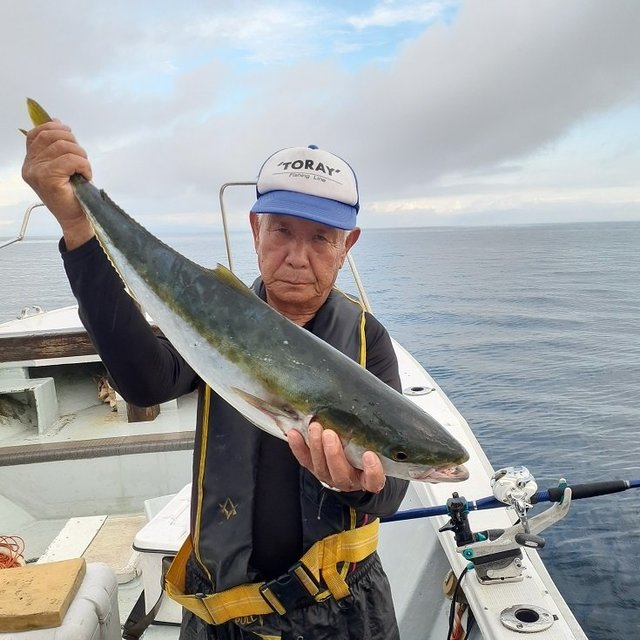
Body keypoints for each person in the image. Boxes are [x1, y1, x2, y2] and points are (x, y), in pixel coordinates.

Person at [22, 122, 409, 640]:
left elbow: (392, 487)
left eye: (320, 238)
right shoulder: (215, 325)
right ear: (255, 230)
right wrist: (78, 229)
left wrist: (357, 485)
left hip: (341, 613)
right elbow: (144, 381)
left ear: (348, 244)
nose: (298, 257)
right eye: (281, 232)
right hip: (220, 614)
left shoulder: (368, 342)